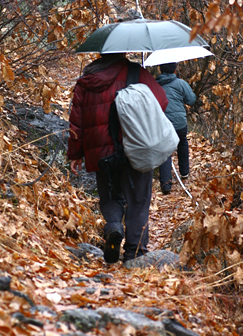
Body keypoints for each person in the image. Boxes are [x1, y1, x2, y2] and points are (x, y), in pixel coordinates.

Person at [68, 53, 168, 264]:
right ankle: (135, 254)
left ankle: (114, 225)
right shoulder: (136, 72)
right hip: (135, 146)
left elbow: (76, 121)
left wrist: (75, 154)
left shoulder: (87, 80)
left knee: (110, 197)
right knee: (138, 201)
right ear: (122, 51)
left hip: (100, 152)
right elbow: (162, 101)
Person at [156, 62, 196, 194]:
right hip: (180, 123)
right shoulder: (180, 83)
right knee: (182, 141)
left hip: (163, 124)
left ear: (160, 69)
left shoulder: (154, 85)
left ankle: (166, 184)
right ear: (174, 69)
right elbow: (191, 100)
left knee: (165, 150)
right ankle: (184, 172)